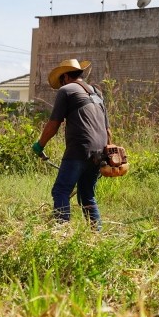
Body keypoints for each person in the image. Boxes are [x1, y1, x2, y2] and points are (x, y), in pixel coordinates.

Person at [32, 58, 112, 230]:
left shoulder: (66, 90)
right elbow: (108, 131)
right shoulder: (97, 93)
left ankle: (62, 233)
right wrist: (106, 155)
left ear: (66, 76)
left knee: (60, 190)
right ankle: (97, 234)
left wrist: (40, 145)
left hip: (79, 149)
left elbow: (54, 124)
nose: (61, 84)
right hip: (100, 151)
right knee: (87, 194)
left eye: (61, 80)